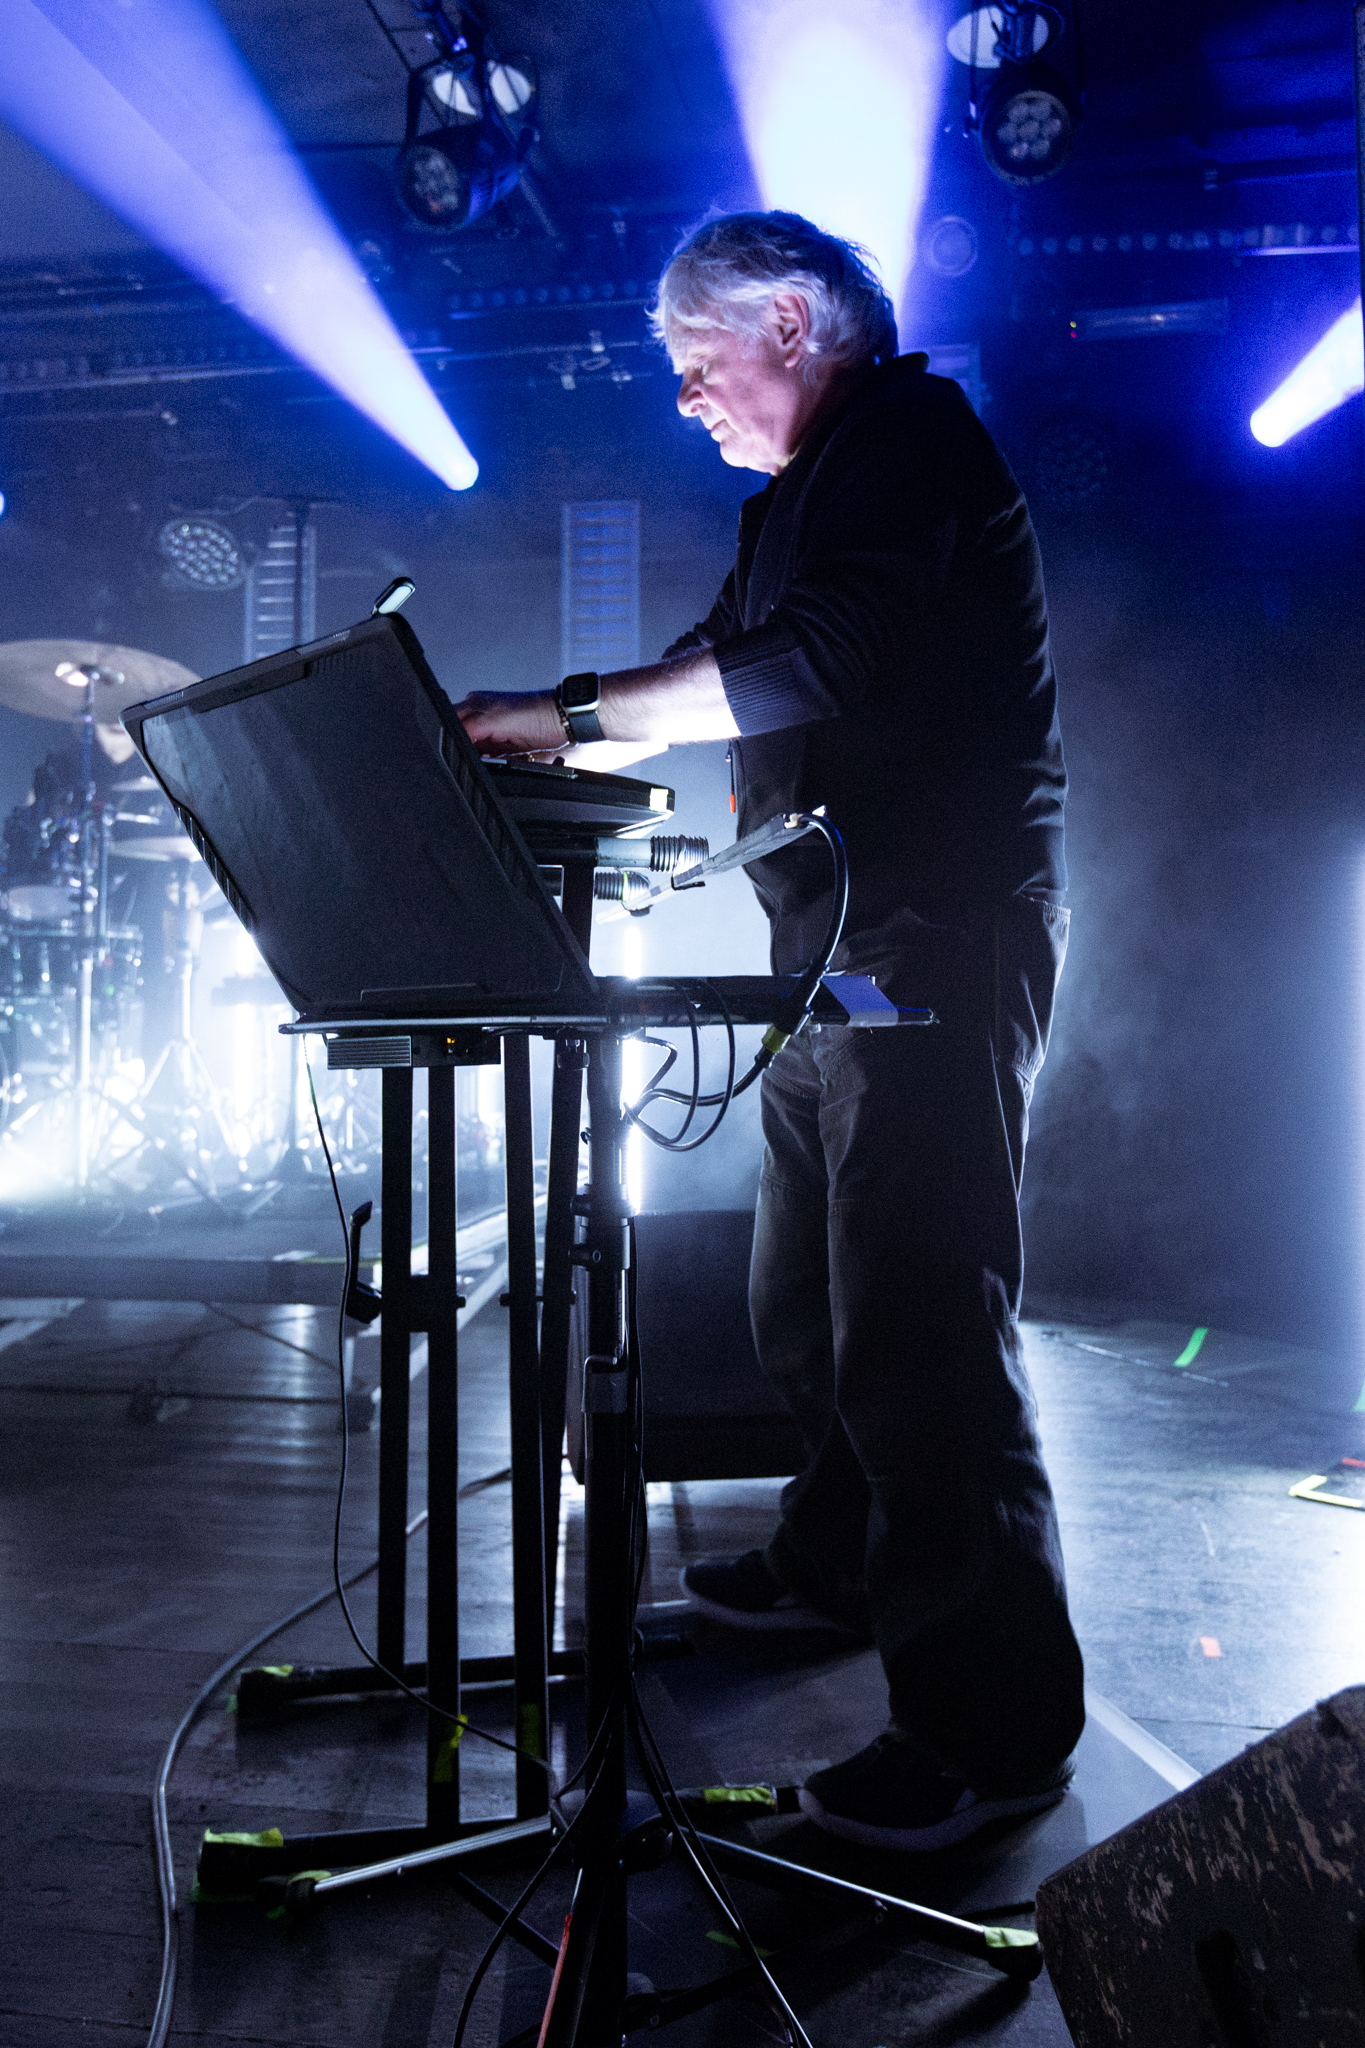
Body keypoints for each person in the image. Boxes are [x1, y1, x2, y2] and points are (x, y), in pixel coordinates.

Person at [455, 210, 1085, 1855]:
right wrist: (545, 737)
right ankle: (831, 1569)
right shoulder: (800, 496)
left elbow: (812, 664)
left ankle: (993, 1734)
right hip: (831, 947)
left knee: (919, 1323)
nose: (683, 396)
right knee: (803, 1294)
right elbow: (712, 666)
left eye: (695, 359)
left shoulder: (908, 441)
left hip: (934, 934)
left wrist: (563, 718)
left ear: (790, 324)